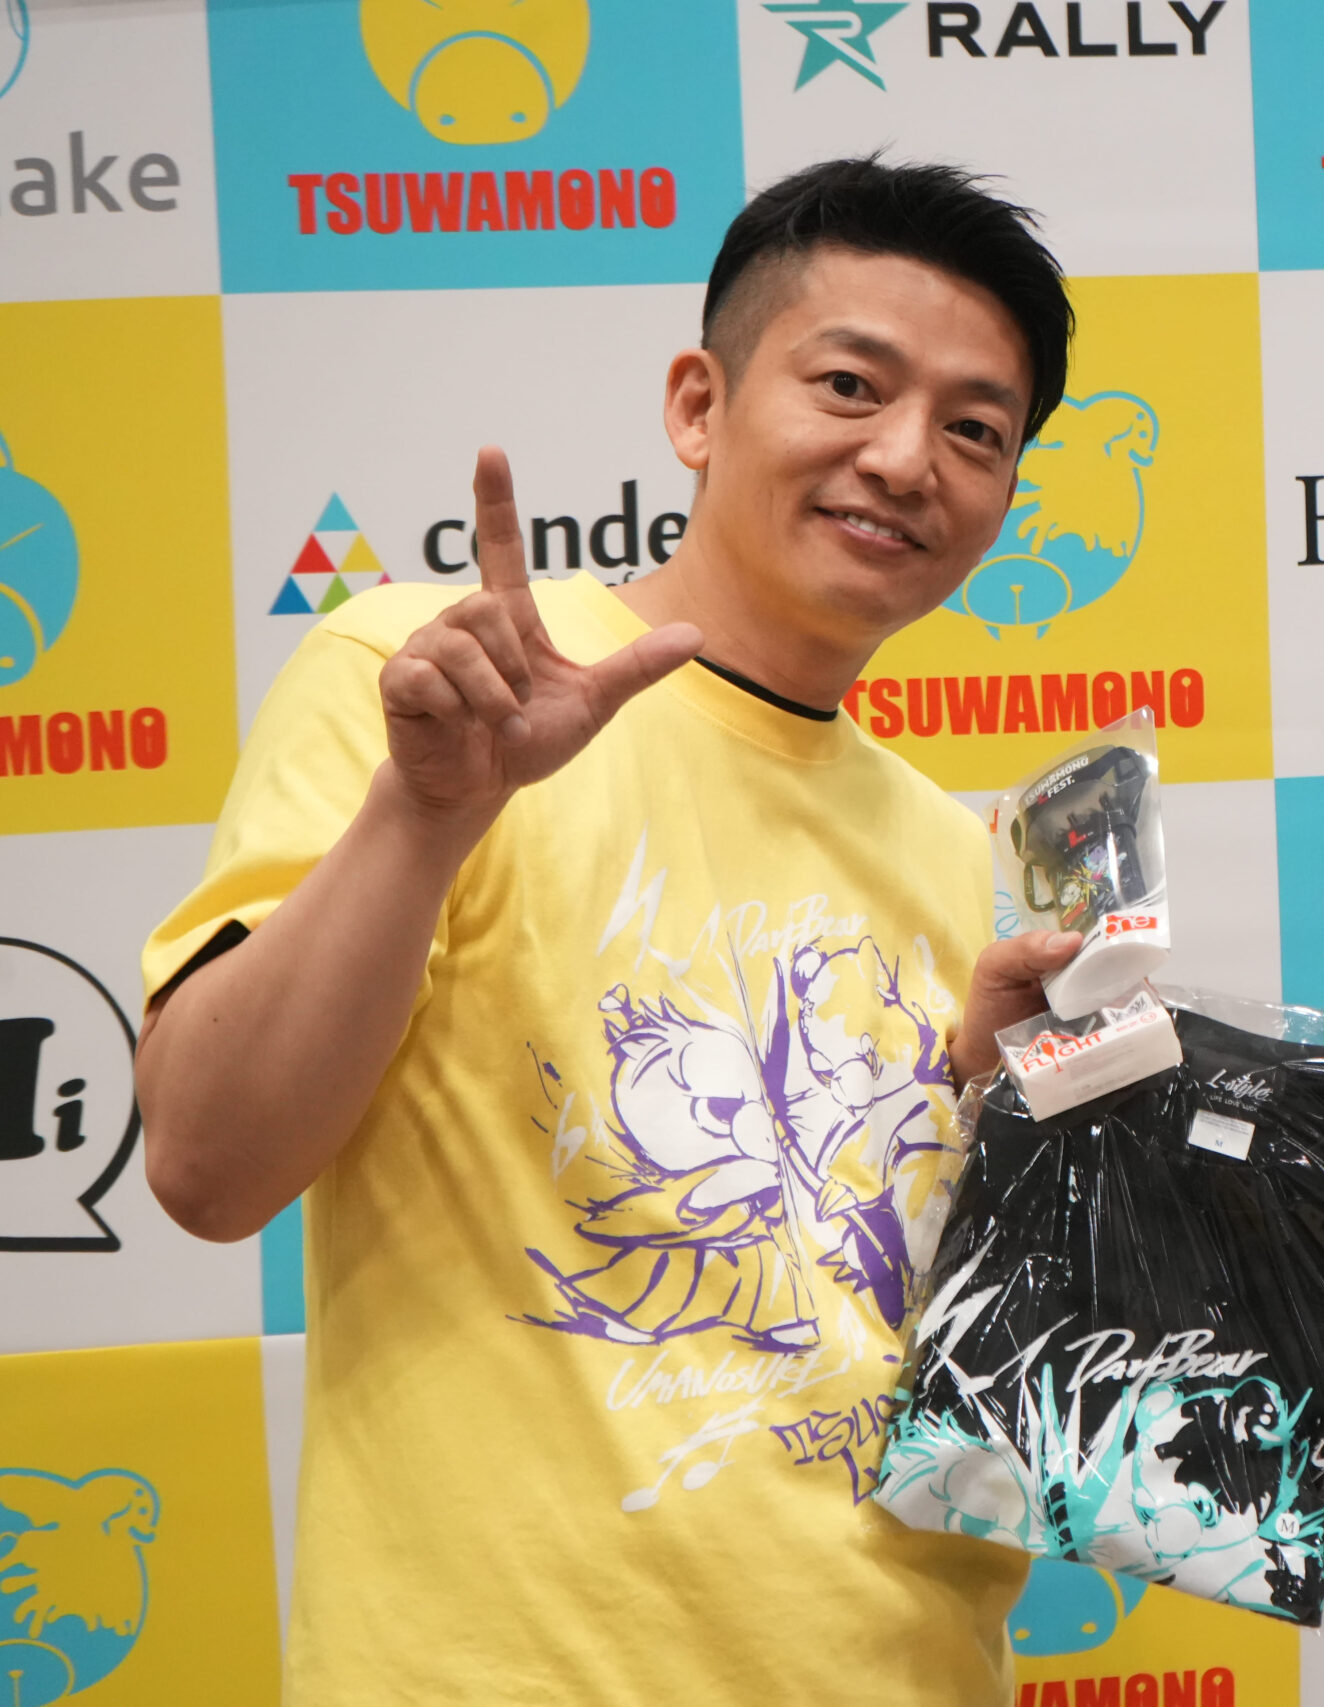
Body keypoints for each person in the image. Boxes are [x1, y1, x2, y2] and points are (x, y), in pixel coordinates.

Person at [136, 157, 1087, 1704]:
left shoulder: (966, 855)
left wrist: (1001, 1122)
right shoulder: (429, 686)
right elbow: (205, 1164)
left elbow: (988, 1420)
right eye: (851, 386)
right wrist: (427, 814)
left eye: (976, 431)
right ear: (699, 407)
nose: (908, 459)